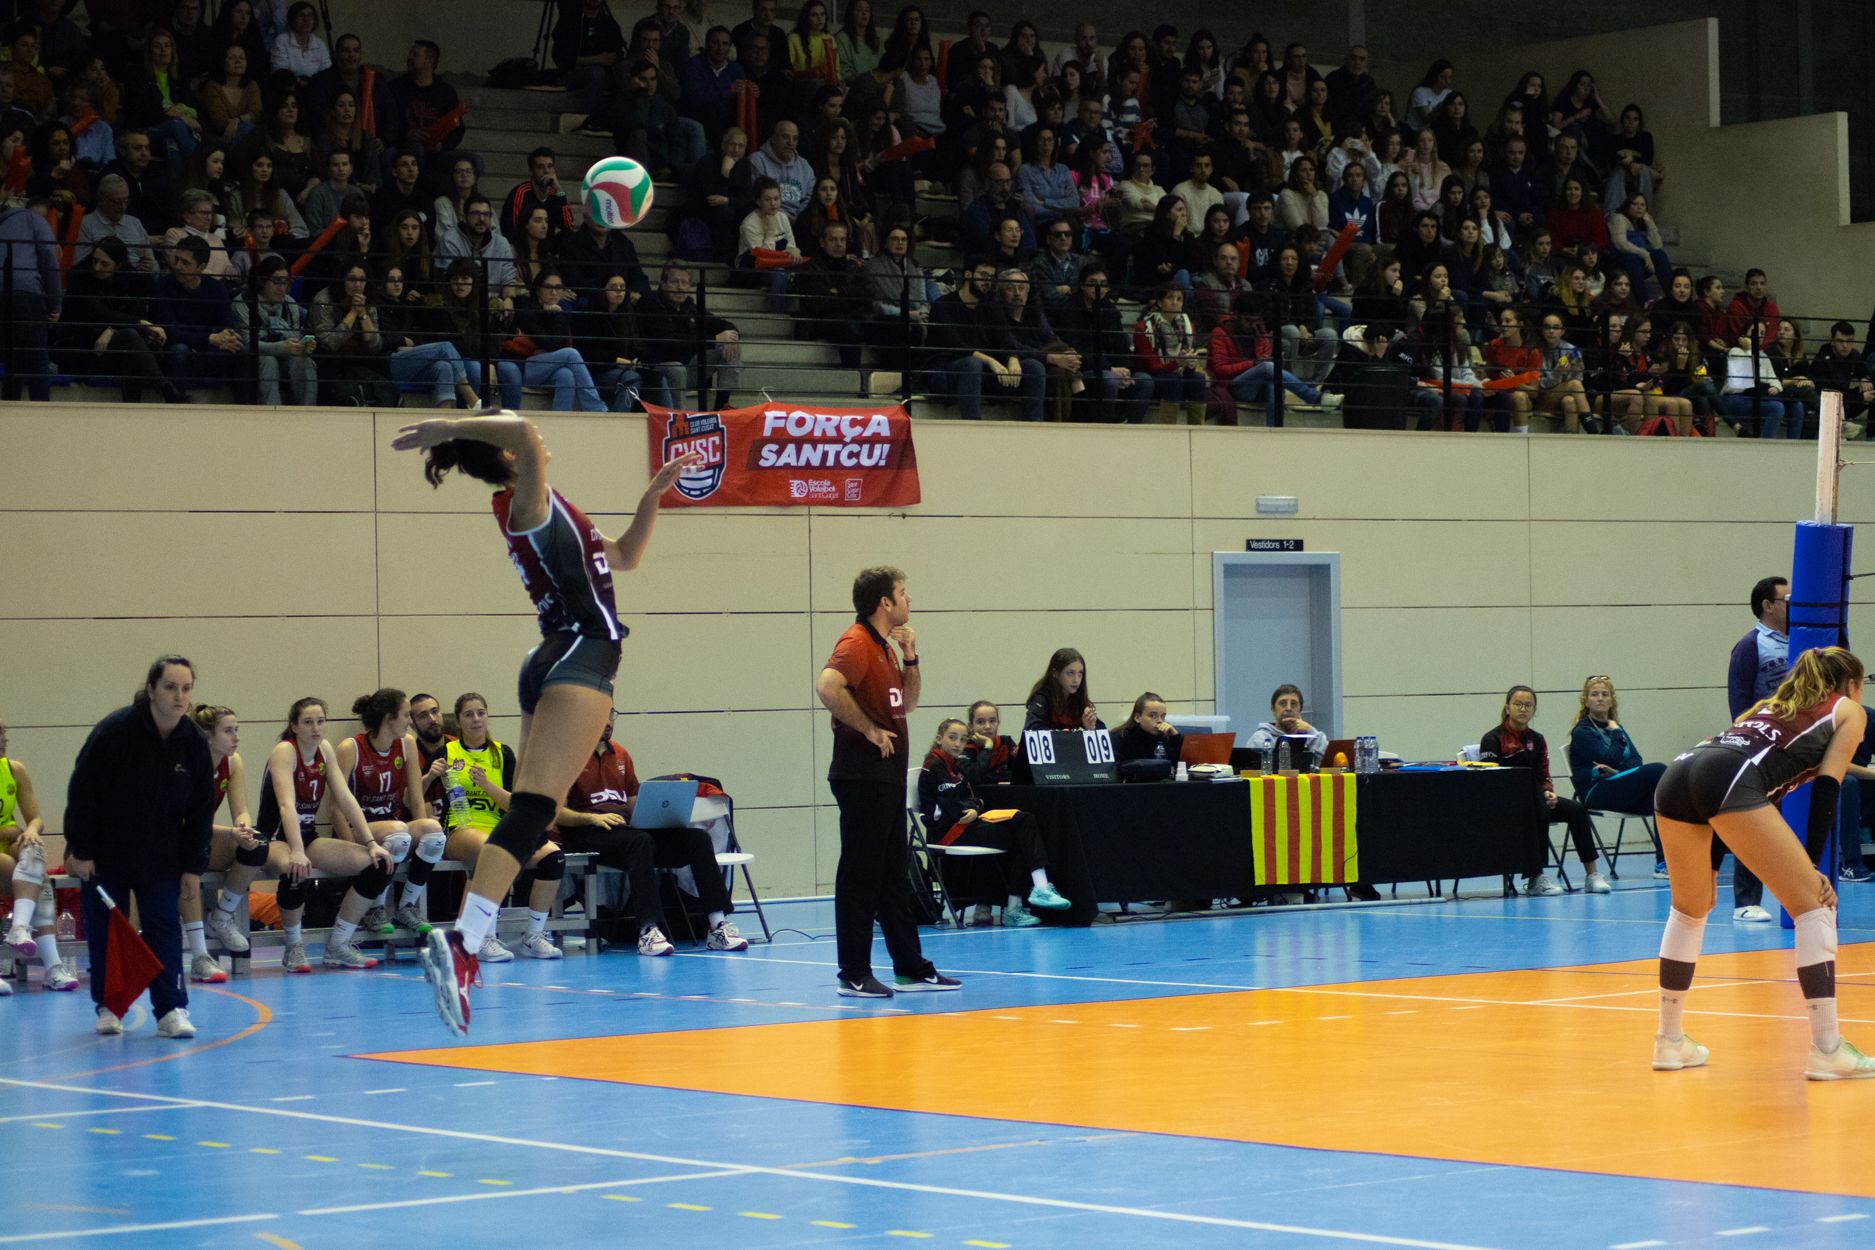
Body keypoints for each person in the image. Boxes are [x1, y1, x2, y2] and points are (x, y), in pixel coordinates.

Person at [396, 414, 700, 1034]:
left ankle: (466, 945)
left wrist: (651, 497)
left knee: (531, 811)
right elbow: (526, 432)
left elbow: (625, 557)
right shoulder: (525, 500)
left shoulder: (544, 507)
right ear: (506, 457)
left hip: (550, 658)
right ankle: (465, 946)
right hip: (580, 655)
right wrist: (453, 426)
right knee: (535, 810)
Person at [1650, 647, 1875, 1079]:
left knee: (1690, 909)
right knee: (1815, 905)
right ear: (1851, 683)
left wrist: (1712, 865)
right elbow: (1829, 786)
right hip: (1728, 778)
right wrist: (1812, 868)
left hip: (1679, 773)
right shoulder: (1849, 710)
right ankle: (1828, 1049)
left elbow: (1715, 783)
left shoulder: (1767, 708)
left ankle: (1670, 1041)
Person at [815, 566, 957, 998]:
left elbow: (908, 703)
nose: (909, 599)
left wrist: (911, 655)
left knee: (894, 875)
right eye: (902, 593)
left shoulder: (887, 649)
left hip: (888, 778)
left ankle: (910, 967)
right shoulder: (856, 642)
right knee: (860, 874)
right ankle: (852, 972)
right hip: (862, 775)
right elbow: (827, 687)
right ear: (884, 603)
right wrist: (869, 730)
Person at [64, 656, 216, 1037]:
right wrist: (80, 850)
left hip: (161, 854)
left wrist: (193, 866)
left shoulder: (194, 742)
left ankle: (171, 1011)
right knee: (106, 930)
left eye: (186, 688)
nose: (179, 696)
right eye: (170, 687)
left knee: (164, 926)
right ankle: (108, 1006)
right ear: (151, 690)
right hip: (105, 852)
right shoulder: (115, 731)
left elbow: (200, 811)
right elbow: (83, 792)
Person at [556, 708, 748, 955]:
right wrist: (592, 818)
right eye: (599, 714)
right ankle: (648, 930)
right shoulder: (566, 757)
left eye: (610, 715)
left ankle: (717, 925)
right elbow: (555, 811)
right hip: (586, 831)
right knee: (639, 841)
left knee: (695, 839)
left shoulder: (621, 754)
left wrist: (663, 815)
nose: (606, 722)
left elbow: (634, 801)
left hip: (625, 832)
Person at [248, 697, 399, 971]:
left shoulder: (324, 750)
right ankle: (294, 947)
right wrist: (296, 850)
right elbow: (285, 804)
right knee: (296, 869)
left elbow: (345, 798)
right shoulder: (285, 750)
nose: (316, 728)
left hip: (307, 836)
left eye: (320, 721)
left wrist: (370, 842)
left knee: (379, 865)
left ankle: (339, 944)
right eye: (307, 722)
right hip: (274, 837)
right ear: (294, 725)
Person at [918, 717, 1070, 927]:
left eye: (962, 740)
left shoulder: (955, 766)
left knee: (1025, 822)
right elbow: (953, 806)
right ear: (939, 738)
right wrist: (971, 806)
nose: (957, 743)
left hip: (965, 825)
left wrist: (975, 806)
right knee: (1022, 833)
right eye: (952, 738)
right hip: (949, 833)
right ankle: (1023, 902)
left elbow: (973, 797)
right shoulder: (934, 767)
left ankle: (1036, 892)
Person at [335, 688, 445, 937]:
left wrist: (422, 833)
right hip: (359, 829)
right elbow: (336, 808)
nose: (410, 722)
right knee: (399, 833)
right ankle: (376, 908)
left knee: (434, 832)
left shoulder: (407, 744)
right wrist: (350, 845)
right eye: (406, 715)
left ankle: (406, 906)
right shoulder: (350, 748)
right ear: (389, 718)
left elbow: (417, 799)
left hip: (395, 829)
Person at [1480, 685, 1607, 895]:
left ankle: (1592, 875)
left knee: (1576, 809)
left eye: (1528, 705)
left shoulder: (1537, 739)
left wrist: (1548, 792)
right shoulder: (1492, 739)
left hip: (1537, 800)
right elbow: (1492, 781)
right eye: (1518, 704)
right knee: (1538, 810)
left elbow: (1544, 774)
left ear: (1534, 710)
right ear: (1507, 708)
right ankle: (1535, 878)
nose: (1523, 709)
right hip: (1506, 805)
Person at [0, 712, 74, 992]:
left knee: (34, 856)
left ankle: (26, 937)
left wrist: (30, 830)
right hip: (4, 849)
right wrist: (8, 832)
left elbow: (36, 818)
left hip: (13, 845)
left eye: (5, 732)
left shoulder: (14, 769)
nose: (4, 739)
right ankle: (51, 963)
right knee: (30, 878)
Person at [1567, 675, 1668, 825]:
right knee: (1658, 769)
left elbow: (1637, 760)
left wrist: (1616, 772)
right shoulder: (1582, 731)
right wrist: (1616, 733)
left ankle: (1665, 849)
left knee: (1663, 802)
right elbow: (1609, 758)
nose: (1600, 698)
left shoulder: (1616, 728)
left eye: (1605, 694)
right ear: (1586, 701)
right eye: (1594, 694)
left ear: (1611, 700)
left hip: (1618, 784)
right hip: (1595, 792)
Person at [1245, 684, 1329, 768]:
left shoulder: (1310, 735)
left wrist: (1311, 731)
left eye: (1293, 704)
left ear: (1300, 710)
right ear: (1273, 709)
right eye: (1282, 703)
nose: (1288, 708)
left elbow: (1329, 763)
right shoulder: (1260, 738)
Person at [1024, 648, 1102, 732]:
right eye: (1070, 673)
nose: (1076, 680)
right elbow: (1032, 729)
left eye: (1080, 673)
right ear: (1055, 673)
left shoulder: (1079, 700)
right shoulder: (1042, 698)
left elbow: (1103, 731)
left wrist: (1090, 727)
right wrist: (1064, 735)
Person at [1112, 692, 1184, 765]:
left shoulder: (1166, 737)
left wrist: (1175, 737)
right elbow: (1114, 768)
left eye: (1162, 716)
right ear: (1137, 717)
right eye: (1153, 716)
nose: (1160, 720)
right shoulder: (1120, 736)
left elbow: (1179, 768)